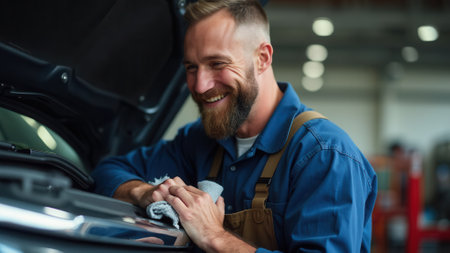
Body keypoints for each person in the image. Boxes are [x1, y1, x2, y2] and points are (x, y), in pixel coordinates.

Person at [91, 0, 377, 252]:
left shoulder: (325, 155)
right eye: (191, 67)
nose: (200, 85)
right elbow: (108, 170)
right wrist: (145, 193)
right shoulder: (199, 141)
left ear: (262, 58)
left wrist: (214, 237)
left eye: (217, 63)